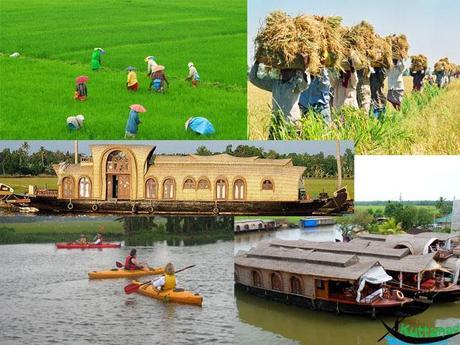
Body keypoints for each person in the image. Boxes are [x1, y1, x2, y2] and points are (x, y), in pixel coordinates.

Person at [248, 54, 310, 126]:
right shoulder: (275, 84)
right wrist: (257, 62)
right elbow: (253, 79)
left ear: (293, 72)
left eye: (288, 70)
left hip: (292, 124)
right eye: (282, 69)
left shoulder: (296, 84)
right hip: (276, 124)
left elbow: (305, 84)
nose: (284, 71)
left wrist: (304, 67)